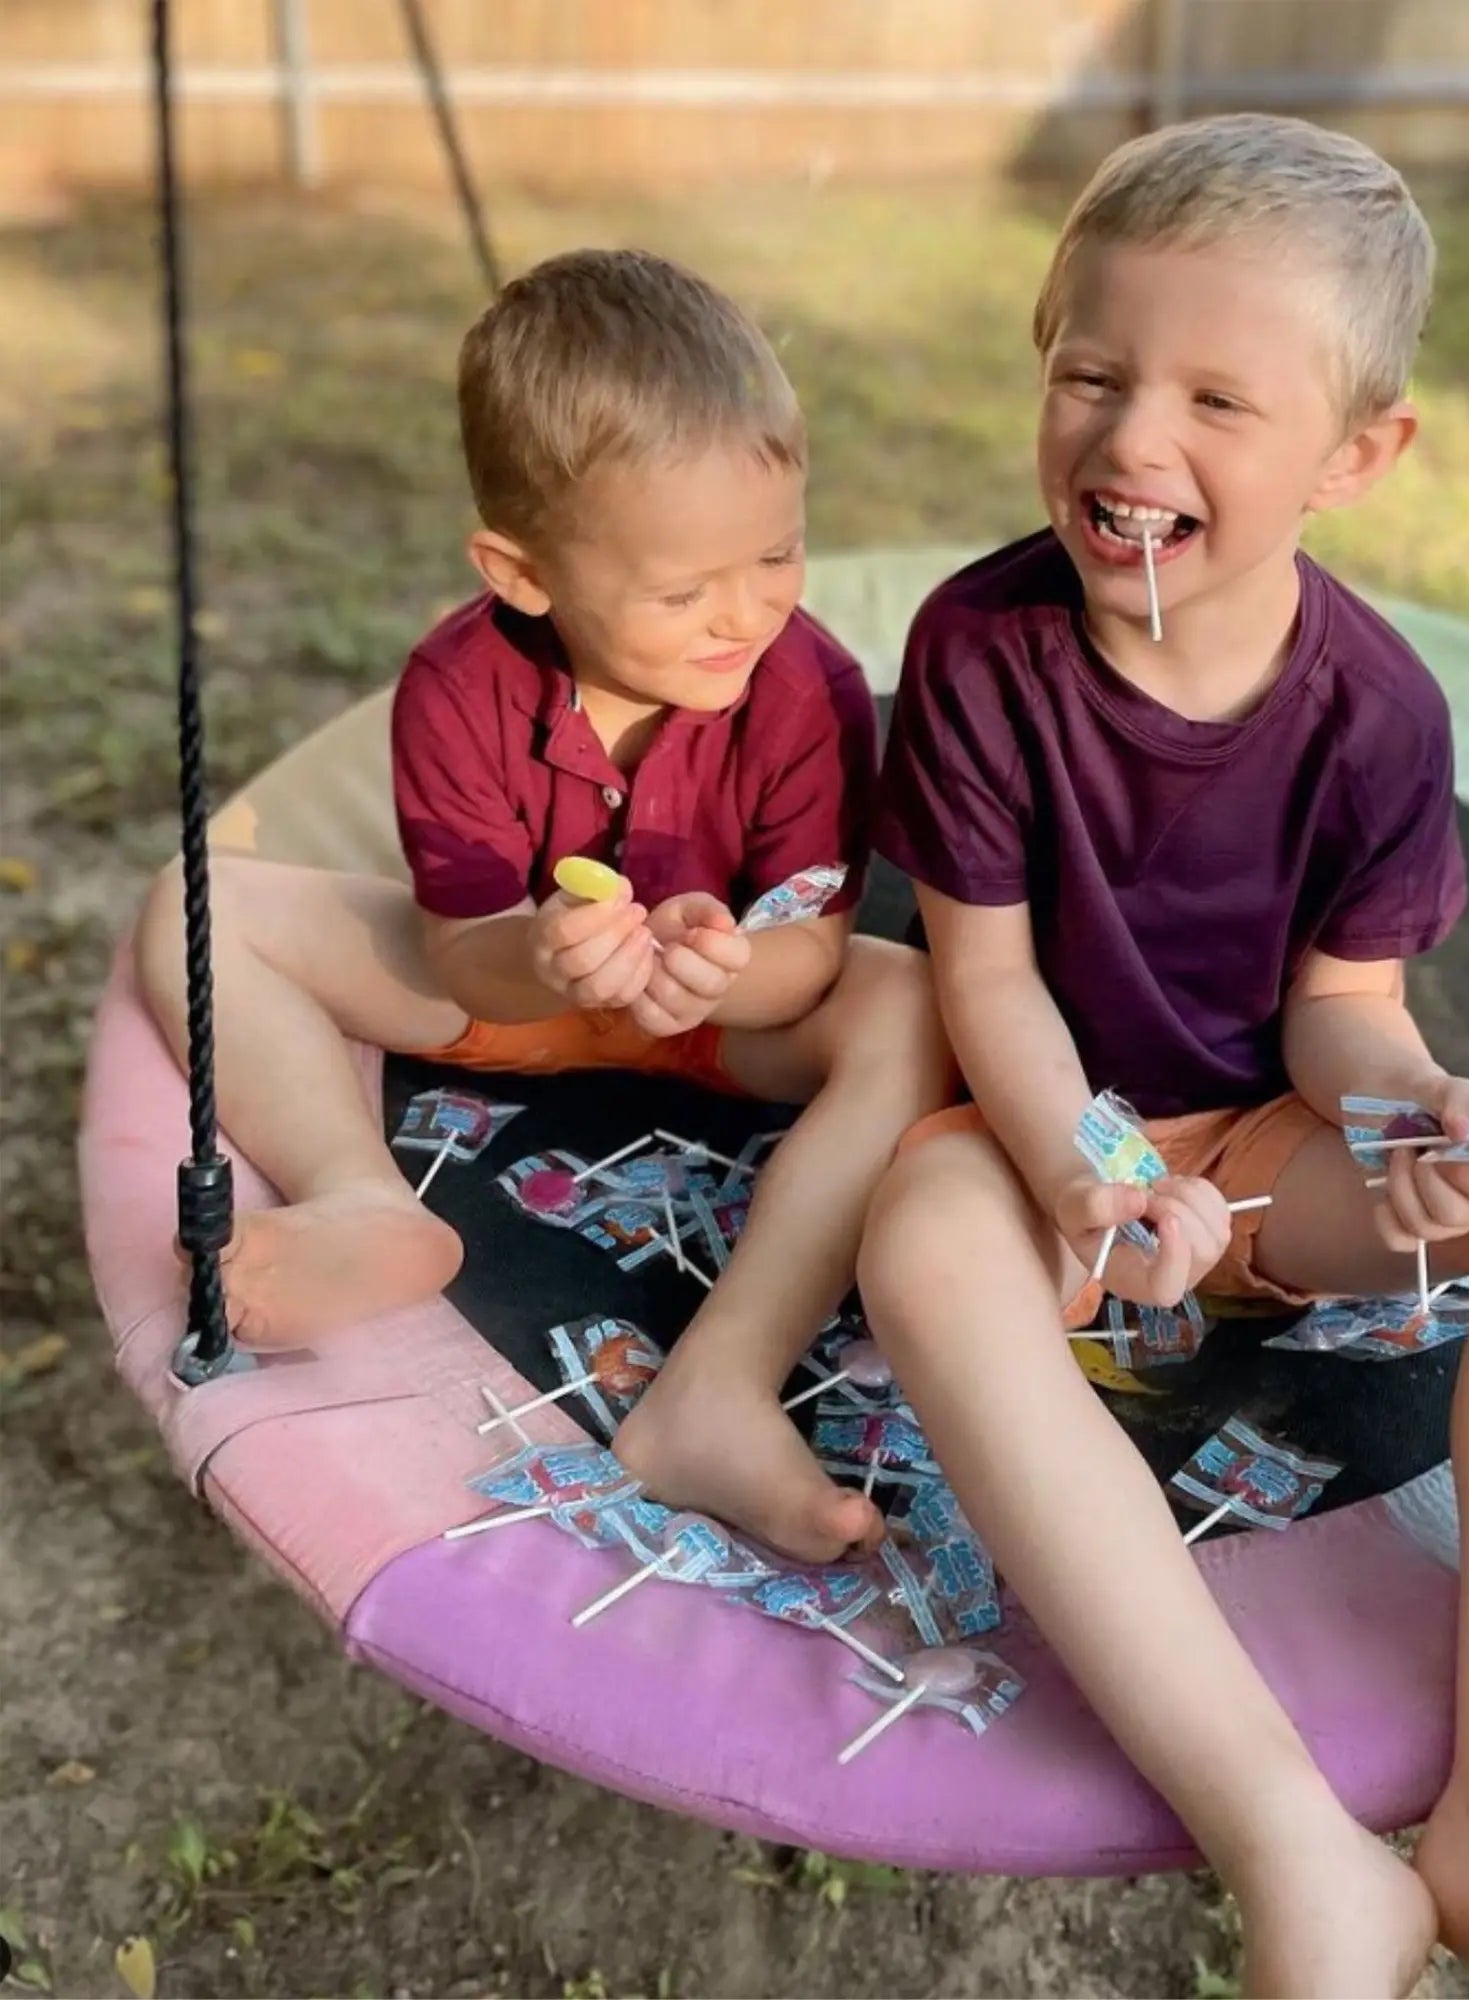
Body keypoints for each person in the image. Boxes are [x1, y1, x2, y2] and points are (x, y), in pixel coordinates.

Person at [856, 116, 1469, 1997]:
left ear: (1355, 456)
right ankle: (1293, 1844)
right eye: (1092, 374)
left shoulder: (1375, 711)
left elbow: (1344, 1004)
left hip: (1257, 1155)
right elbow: (982, 983)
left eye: (1217, 400)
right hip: (1039, 1141)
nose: (1133, 438)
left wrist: (1419, 1119)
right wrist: (1087, 1170)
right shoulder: (985, 653)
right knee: (917, 1236)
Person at [139, 248, 951, 1563]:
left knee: (909, 999)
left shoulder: (806, 687)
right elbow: (462, 955)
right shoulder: (459, 685)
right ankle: (362, 1197)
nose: (740, 614)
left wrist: (720, 972)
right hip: (518, 993)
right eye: (682, 592)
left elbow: (801, 952)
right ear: (523, 576)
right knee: (203, 901)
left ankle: (719, 1381)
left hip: (721, 1019)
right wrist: (548, 958)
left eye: (778, 553)